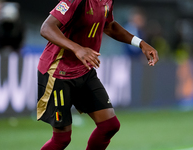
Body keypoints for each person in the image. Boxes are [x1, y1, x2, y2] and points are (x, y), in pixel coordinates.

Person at [37, 0, 159, 150]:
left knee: (109, 126)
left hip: (84, 70)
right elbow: (46, 28)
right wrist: (77, 48)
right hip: (58, 73)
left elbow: (109, 26)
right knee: (62, 139)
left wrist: (140, 43)